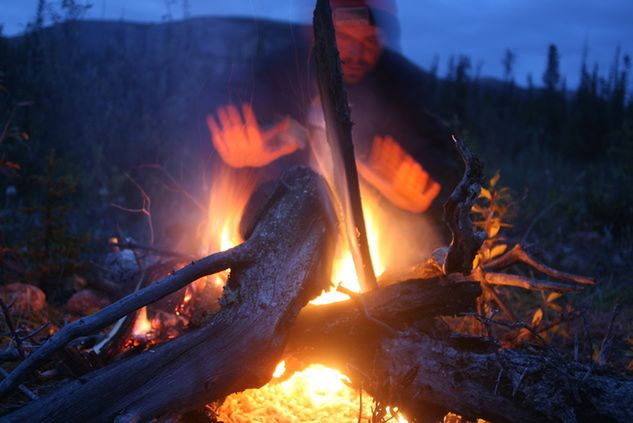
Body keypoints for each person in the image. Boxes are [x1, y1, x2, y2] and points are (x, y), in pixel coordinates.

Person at [206, 0, 462, 238]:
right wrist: (240, 156)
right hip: (282, 228)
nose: (356, 52)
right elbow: (222, 117)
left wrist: (422, 192)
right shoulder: (278, 71)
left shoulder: (400, 86)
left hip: (369, 236)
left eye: (371, 41)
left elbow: (439, 159)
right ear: (317, 31)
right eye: (345, 36)